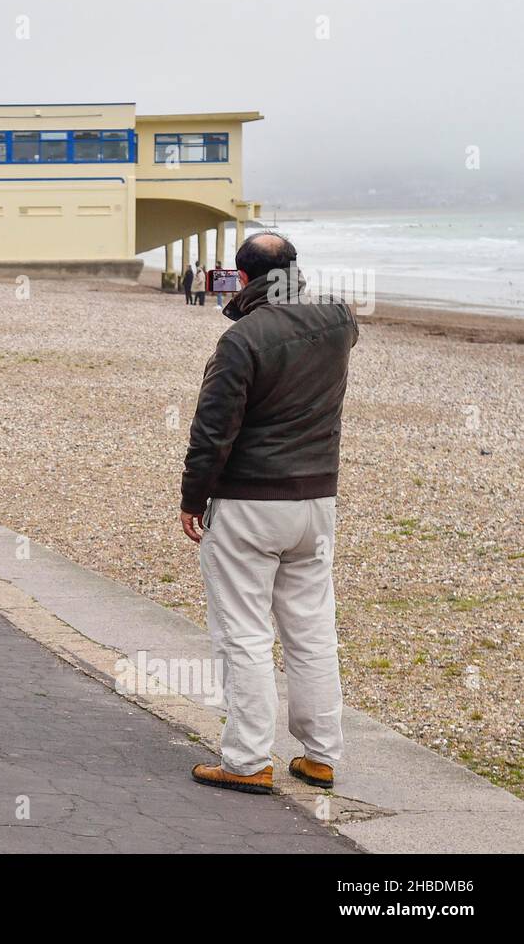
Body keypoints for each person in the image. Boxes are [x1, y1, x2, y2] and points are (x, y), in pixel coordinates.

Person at [182, 233, 359, 796]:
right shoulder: (338, 320)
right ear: (293, 268)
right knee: (311, 629)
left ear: (241, 274)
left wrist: (192, 497)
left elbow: (213, 431)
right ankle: (321, 755)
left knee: (244, 631)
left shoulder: (241, 340)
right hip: (316, 501)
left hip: (250, 503)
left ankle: (248, 758)